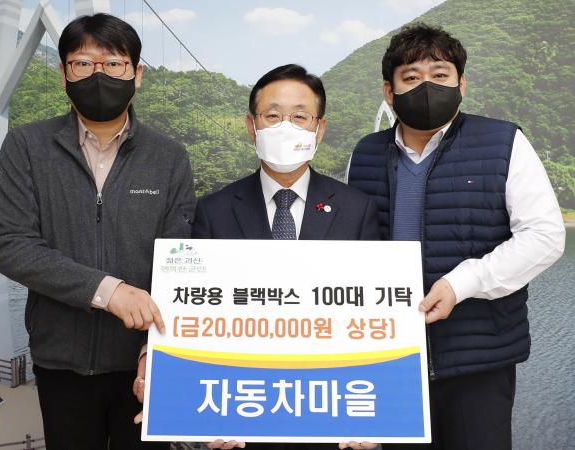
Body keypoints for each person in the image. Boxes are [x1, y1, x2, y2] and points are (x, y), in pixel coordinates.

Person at [347, 24, 565, 450]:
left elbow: (544, 235)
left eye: (440, 75)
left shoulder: (503, 142)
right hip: (389, 358)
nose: (427, 87)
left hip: (477, 360)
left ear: (461, 84)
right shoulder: (366, 153)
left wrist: (461, 283)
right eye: (411, 77)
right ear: (389, 92)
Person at [0, 13, 195, 450]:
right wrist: (106, 290)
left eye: (114, 63)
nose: (99, 75)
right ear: (64, 73)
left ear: (137, 74)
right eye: (83, 63)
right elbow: (11, 245)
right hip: (60, 359)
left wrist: (153, 350)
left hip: (143, 362)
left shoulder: (169, 156)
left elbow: (181, 258)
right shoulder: (26, 146)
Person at [193, 64, 379, 450]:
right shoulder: (214, 210)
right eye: (273, 116)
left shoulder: (357, 208)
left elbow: (373, 312)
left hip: (330, 409)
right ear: (252, 126)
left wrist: (371, 418)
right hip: (243, 409)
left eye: (299, 117)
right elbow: (199, 317)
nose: (286, 128)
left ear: (319, 129)